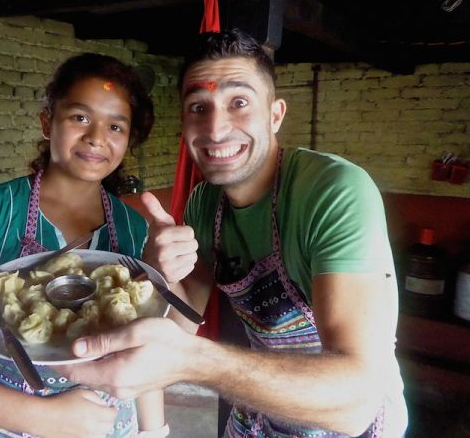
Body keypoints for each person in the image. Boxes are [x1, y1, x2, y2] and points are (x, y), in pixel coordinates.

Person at [61, 29, 409, 438]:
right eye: (198, 107)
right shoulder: (204, 204)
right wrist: (161, 276)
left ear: (275, 114)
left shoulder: (332, 191)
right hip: (259, 412)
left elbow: (356, 405)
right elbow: (180, 322)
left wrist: (194, 361)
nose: (216, 128)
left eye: (239, 103)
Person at [0, 53, 168, 438]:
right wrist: (44, 419)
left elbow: (143, 343)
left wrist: (154, 431)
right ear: (46, 122)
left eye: (116, 126)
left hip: (107, 424)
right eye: (80, 117)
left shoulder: (133, 228)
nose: (97, 137)